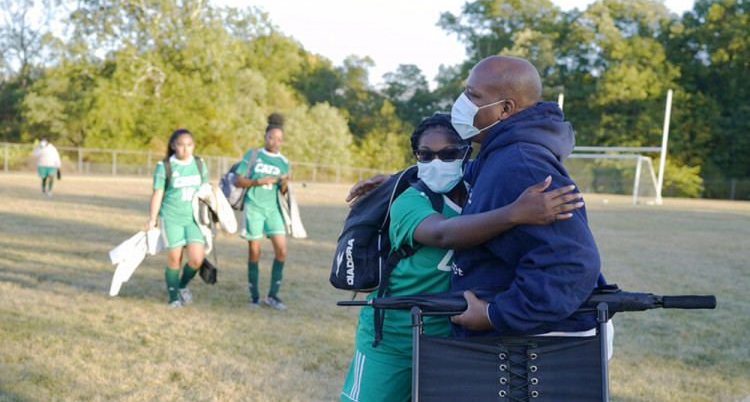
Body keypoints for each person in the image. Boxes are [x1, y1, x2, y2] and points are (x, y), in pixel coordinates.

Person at [347, 56, 607, 340]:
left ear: (505, 109)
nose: (462, 101)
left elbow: (573, 263)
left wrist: (497, 315)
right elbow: (462, 174)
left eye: (472, 94)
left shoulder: (521, 164)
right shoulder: (500, 153)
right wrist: (397, 180)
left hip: (544, 344)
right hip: (521, 341)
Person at [340, 113, 585, 402]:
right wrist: (515, 213)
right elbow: (444, 233)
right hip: (393, 339)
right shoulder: (408, 201)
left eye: (448, 154)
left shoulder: (480, 192)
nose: (436, 163)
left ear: (467, 154)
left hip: (452, 340)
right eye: (425, 155)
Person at [145, 128, 208, 309]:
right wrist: (152, 218)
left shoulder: (199, 164)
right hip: (171, 217)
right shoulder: (164, 166)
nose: (185, 149)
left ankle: (182, 285)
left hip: (193, 218)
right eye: (180, 145)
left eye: (189, 145)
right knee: (174, 258)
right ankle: (173, 298)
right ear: (173, 146)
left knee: (196, 259)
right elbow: (158, 194)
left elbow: (205, 191)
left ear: (193, 145)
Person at [233, 113, 291, 310]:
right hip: (254, 207)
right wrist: (258, 181)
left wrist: (284, 183)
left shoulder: (284, 161)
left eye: (279, 139)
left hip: (273, 209)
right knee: (254, 252)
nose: (275, 142)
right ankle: (254, 296)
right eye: (271, 138)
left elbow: (283, 192)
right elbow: (237, 180)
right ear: (265, 137)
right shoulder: (253, 155)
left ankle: (273, 296)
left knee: (281, 251)